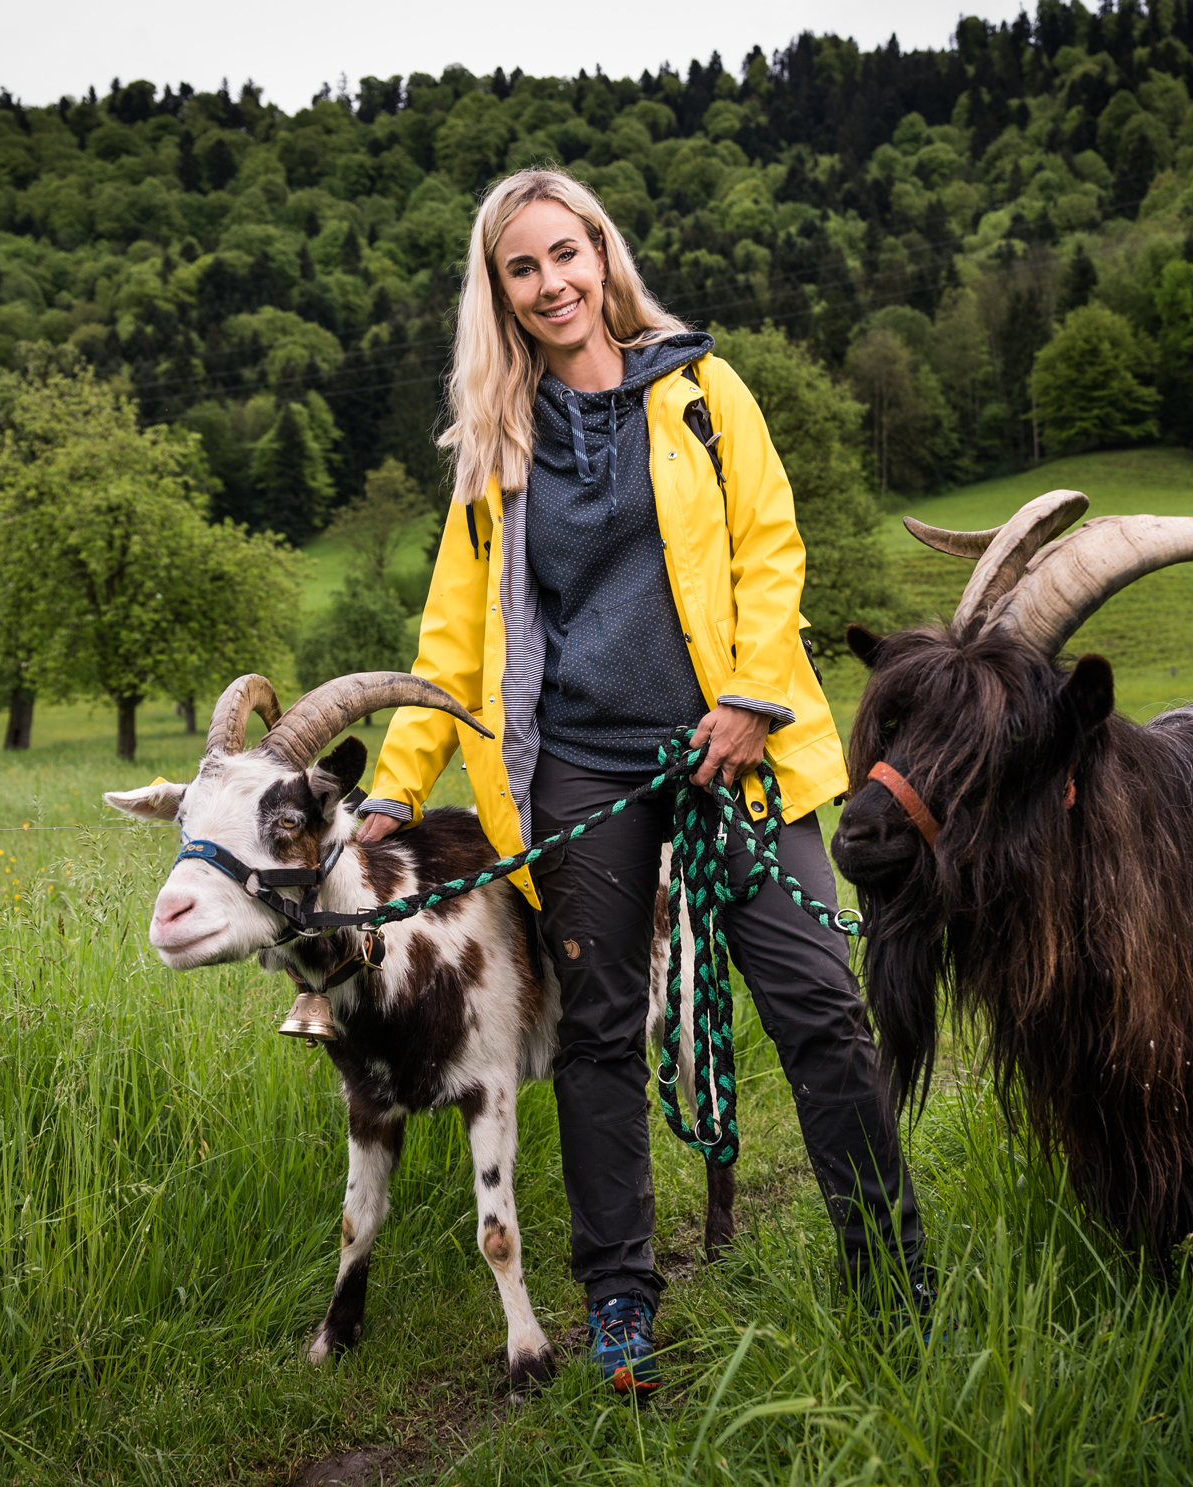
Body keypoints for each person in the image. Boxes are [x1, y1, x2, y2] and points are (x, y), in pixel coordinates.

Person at [354, 168, 925, 1394]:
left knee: (818, 1002)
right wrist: (398, 785)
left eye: (568, 253)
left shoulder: (703, 391)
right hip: (578, 767)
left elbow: (772, 548)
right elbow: (452, 641)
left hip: (740, 746)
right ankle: (619, 1300)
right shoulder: (492, 448)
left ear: (604, 255)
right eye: (523, 268)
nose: (552, 282)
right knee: (601, 1036)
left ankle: (888, 1270)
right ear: (497, 292)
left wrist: (749, 696)